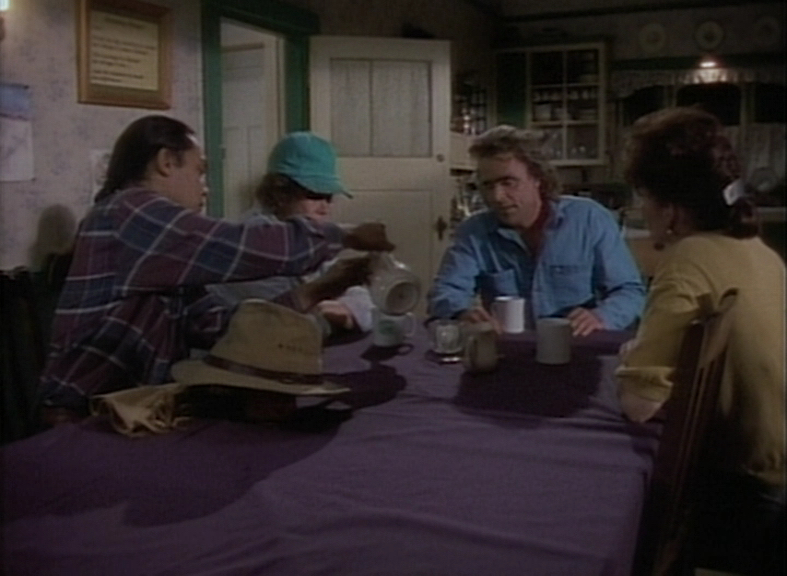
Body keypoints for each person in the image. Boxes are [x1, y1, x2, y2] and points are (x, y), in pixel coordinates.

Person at [38, 115, 393, 424]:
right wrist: (346, 235)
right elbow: (235, 244)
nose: (205, 188)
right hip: (82, 417)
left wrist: (319, 289)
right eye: (200, 172)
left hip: (139, 408)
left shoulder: (164, 254)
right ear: (166, 162)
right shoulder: (128, 212)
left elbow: (220, 327)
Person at [615, 107, 785, 575]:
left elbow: (639, 404)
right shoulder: (759, 250)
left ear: (670, 208)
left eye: (644, 196)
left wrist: (633, 360)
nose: (642, 209)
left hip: (746, 492)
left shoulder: (688, 258)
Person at [427, 124, 645, 336]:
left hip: (578, 346)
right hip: (509, 350)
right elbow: (445, 291)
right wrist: (462, 312)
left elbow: (629, 291)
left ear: (537, 178)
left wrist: (601, 317)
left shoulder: (589, 219)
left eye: (508, 182)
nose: (497, 197)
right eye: (487, 185)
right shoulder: (475, 231)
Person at [209, 132, 374, 336]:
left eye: (329, 197)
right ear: (280, 194)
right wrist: (334, 308)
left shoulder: (310, 239)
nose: (324, 208)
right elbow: (287, 319)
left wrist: (346, 308)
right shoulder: (254, 239)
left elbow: (362, 299)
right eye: (314, 195)